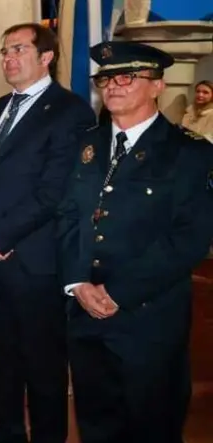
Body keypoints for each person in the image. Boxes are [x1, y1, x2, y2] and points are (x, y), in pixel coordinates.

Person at [58, 41, 213, 443]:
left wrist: (118, 292)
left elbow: (191, 238)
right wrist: (77, 282)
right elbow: (68, 216)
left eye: (127, 77)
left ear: (158, 85)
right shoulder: (85, 145)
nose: (113, 85)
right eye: (107, 78)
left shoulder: (189, 153)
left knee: (152, 426)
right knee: (95, 423)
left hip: (148, 319)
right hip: (85, 313)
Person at [0, 23, 95, 443]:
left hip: (34, 258)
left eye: (18, 49)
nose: (8, 58)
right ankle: (7, 429)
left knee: (43, 360)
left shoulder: (70, 111)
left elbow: (54, 191)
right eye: (4, 51)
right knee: (1, 351)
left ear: (46, 57)